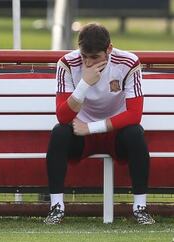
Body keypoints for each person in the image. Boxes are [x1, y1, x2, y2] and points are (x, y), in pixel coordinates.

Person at [44, 23, 155, 225]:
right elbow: (63, 116)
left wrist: (92, 127)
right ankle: (56, 207)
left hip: (115, 133)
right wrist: (84, 83)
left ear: (109, 49)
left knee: (135, 133)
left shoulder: (128, 62)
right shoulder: (67, 63)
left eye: (95, 57)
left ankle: (140, 207)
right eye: (84, 56)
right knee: (59, 132)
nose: (88, 62)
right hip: (81, 135)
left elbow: (134, 115)